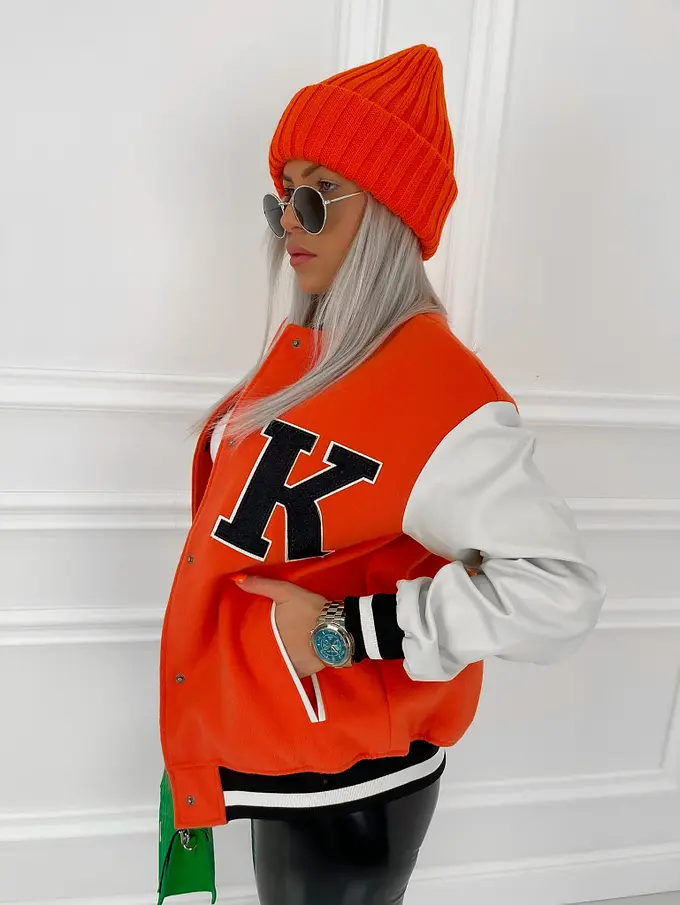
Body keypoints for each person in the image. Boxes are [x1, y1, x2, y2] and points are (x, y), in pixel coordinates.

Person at [158, 44, 607, 905]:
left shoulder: (443, 395)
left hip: (353, 783)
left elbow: (560, 594)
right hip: (285, 746)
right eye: (282, 198)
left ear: (389, 212)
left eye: (317, 195)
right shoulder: (313, 360)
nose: (291, 222)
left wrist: (345, 631)